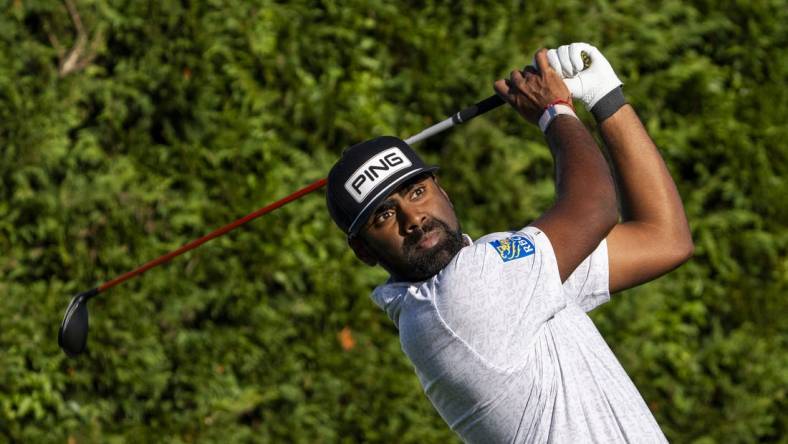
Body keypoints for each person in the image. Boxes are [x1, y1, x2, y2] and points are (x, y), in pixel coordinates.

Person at [325, 43, 693, 443]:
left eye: (416, 192)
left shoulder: (513, 283)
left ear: (442, 191)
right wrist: (556, 111)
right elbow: (595, 208)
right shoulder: (458, 297)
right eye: (384, 215)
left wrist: (607, 99)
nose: (413, 219)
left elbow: (664, 239)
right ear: (364, 251)